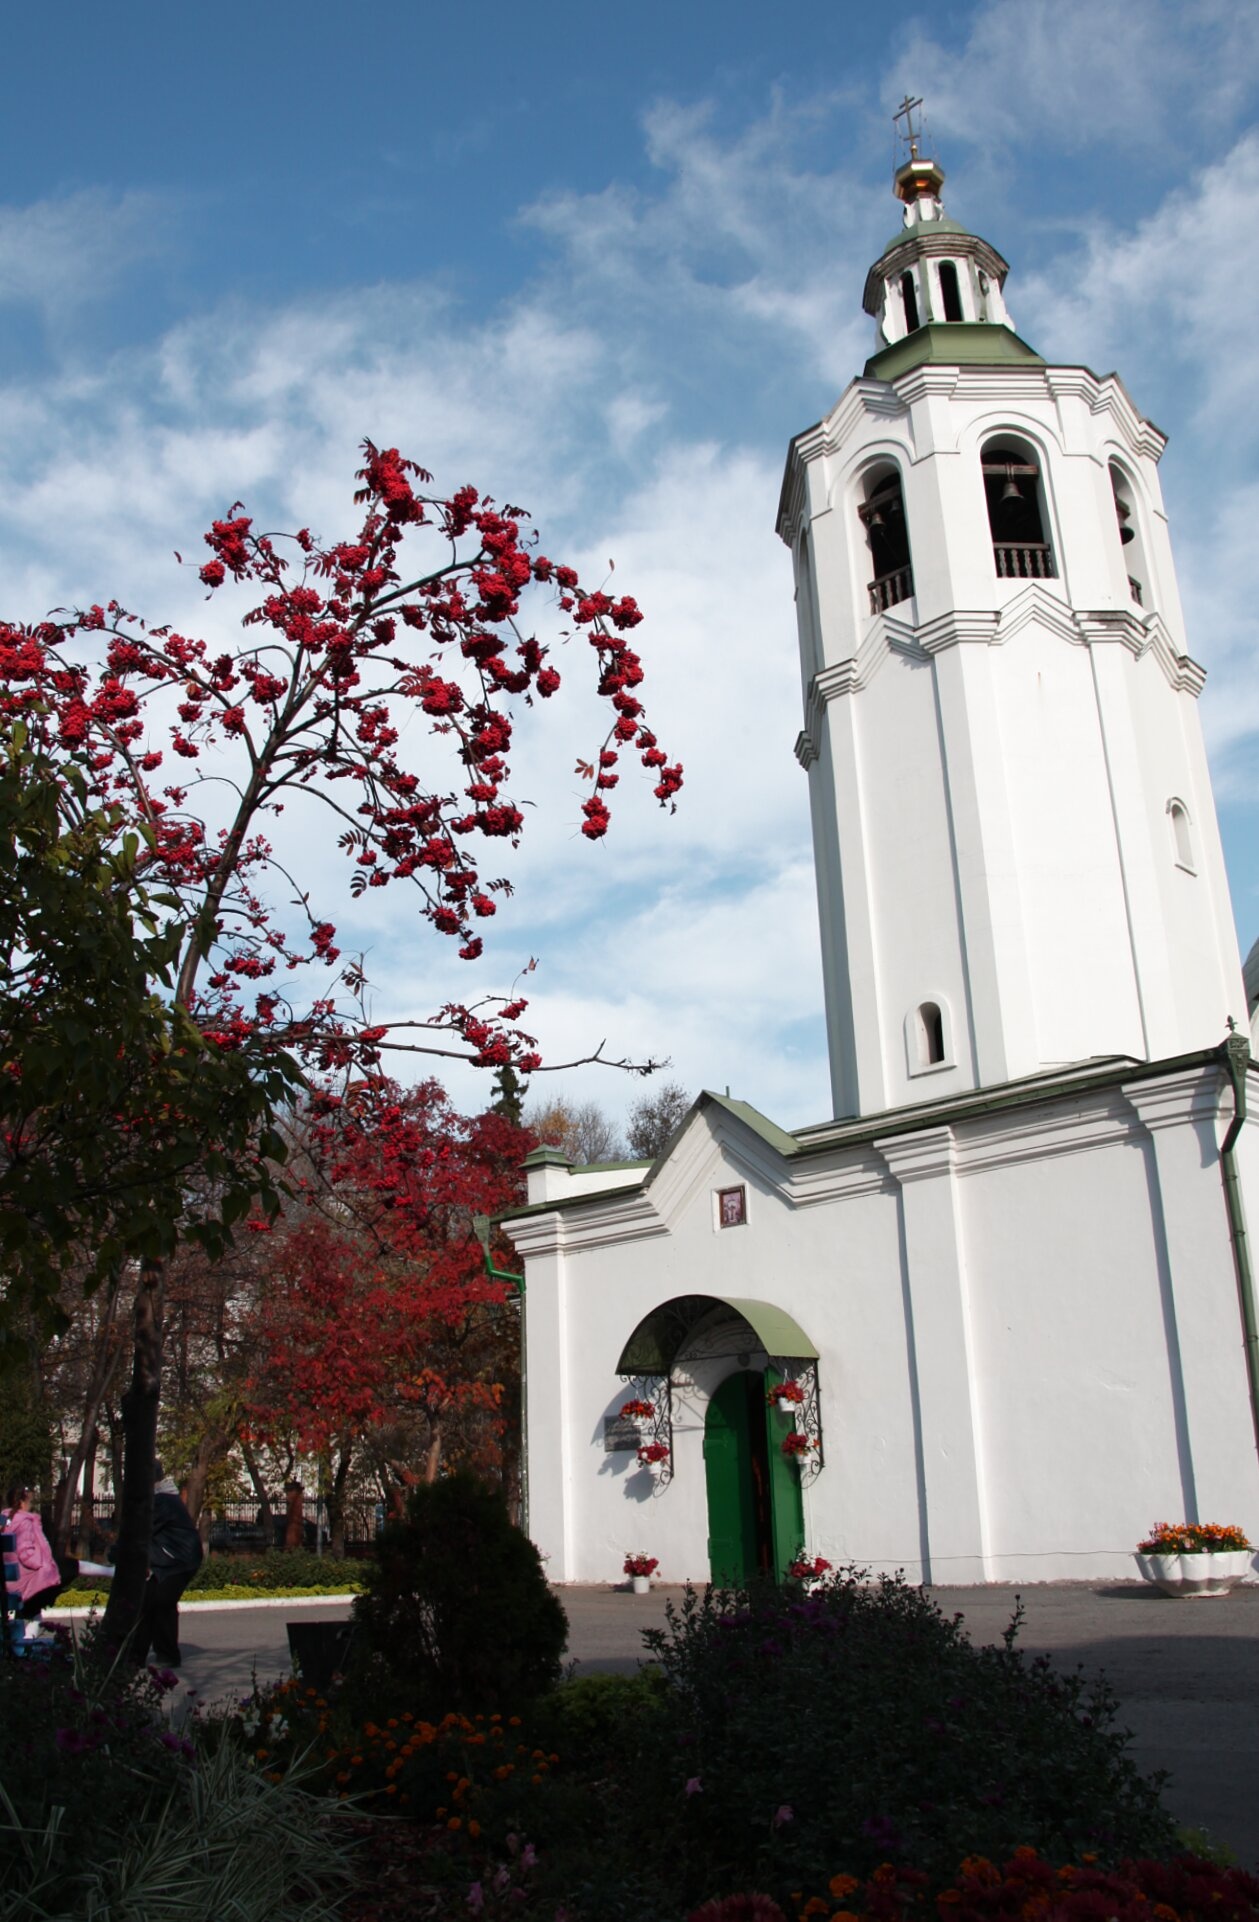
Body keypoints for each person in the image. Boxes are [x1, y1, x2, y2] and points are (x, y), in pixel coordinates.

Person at [134, 1463, 203, 1667]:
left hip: (178, 1561)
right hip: (171, 1560)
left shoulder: (162, 1501)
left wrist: (116, 1553)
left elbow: (140, 1530)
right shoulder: (163, 1498)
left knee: (161, 1604)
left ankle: (165, 1655)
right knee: (149, 1603)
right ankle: (137, 1655)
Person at [2, 1485, 62, 1636]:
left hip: (4, 1583)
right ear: (22, 1502)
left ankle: (20, 1642)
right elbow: (25, 1553)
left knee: (24, 1611)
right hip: (15, 1586)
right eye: (29, 1502)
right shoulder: (24, 1522)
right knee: (36, 1604)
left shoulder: (4, 1520)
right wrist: (40, 1563)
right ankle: (26, 1643)